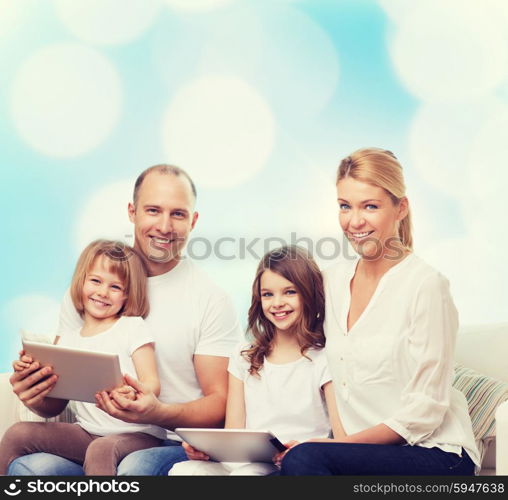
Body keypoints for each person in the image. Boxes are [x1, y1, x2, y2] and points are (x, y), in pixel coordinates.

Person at [8, 165, 242, 476]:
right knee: (32, 467)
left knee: (132, 467)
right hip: (93, 437)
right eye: (153, 210)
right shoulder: (89, 292)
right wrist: (37, 394)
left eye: (178, 214)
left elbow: (221, 402)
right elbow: (58, 399)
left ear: (193, 221)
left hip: (171, 442)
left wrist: (160, 412)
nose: (164, 226)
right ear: (132, 212)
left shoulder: (209, 298)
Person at [280, 147, 481, 476]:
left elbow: (425, 410)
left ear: (400, 208)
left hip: (434, 454)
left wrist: (338, 447)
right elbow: (296, 354)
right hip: (360, 453)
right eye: (345, 206)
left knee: (306, 460)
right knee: (292, 460)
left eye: (370, 206)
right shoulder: (331, 281)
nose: (354, 221)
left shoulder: (426, 285)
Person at [169, 246, 344, 476]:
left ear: (308, 294)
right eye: (268, 294)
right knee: (183, 471)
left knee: (246, 476)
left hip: (295, 464)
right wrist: (206, 450)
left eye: (289, 292)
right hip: (248, 462)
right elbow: (234, 431)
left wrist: (302, 450)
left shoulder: (324, 357)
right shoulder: (244, 356)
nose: (277, 303)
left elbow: (341, 439)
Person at [0, 239, 163, 475]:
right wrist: (32, 374)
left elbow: (152, 383)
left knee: (101, 449)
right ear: (81, 282)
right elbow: (56, 400)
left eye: (115, 287)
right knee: (18, 433)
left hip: (138, 434)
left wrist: (136, 392)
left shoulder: (131, 327)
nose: (102, 292)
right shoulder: (68, 340)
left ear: (128, 296)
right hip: (88, 432)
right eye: (95, 281)